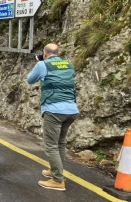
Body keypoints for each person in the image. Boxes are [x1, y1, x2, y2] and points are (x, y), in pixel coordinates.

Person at [27, 43, 79, 191]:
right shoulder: (68, 64)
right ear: (58, 52)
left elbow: (30, 80)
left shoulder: (43, 64)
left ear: (45, 53)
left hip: (54, 110)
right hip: (72, 110)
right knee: (61, 143)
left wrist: (39, 63)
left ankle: (57, 180)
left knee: (50, 145)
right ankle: (56, 170)